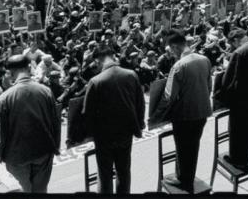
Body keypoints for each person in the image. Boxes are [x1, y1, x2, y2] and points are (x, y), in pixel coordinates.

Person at [152, 30, 212, 192]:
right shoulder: (204, 59)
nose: (170, 53)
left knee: (183, 148)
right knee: (192, 147)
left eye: (170, 50)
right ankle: (184, 176)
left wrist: (155, 117)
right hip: (203, 112)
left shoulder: (178, 66)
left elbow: (168, 96)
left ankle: (184, 181)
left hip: (185, 116)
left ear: (175, 46)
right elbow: (209, 87)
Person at [0, 55, 61, 193]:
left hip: (17, 157)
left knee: (27, 189)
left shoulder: (4, 98)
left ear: (10, 73)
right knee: (41, 190)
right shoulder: (46, 91)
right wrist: (55, 147)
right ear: (29, 68)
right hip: (43, 151)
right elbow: (55, 123)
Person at [82, 47, 145, 194]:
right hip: (126, 133)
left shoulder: (95, 81)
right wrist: (139, 125)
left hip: (104, 137)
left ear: (98, 59)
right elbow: (140, 103)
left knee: (105, 175)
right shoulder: (131, 74)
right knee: (124, 172)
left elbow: (87, 113)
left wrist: (90, 134)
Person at [215, 28, 248, 169]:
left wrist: (223, 96)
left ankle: (237, 159)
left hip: (240, 100)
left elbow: (228, 80)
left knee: (237, 130)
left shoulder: (239, 52)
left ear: (235, 40)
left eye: (233, 44)